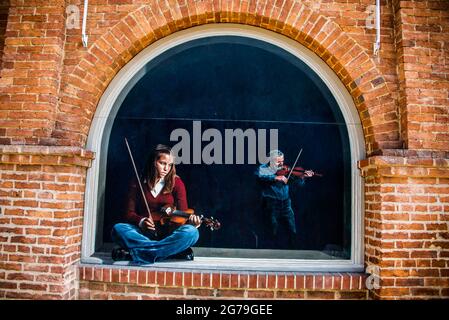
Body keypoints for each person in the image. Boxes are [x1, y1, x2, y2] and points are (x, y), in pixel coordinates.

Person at [111, 144, 201, 264]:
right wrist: (141, 221)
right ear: (153, 162)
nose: (166, 168)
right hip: (143, 234)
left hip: (169, 234)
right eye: (163, 163)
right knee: (118, 229)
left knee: (192, 233)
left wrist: (192, 223)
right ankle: (167, 252)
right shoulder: (137, 182)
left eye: (170, 165)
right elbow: (128, 213)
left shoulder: (177, 183)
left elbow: (182, 214)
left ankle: (140, 253)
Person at [255, 150, 314, 248]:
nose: (282, 164)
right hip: (270, 204)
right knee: (272, 230)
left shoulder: (285, 171)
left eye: (282, 161)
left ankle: (294, 252)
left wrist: (303, 177)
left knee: (292, 229)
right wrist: (276, 177)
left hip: (286, 204)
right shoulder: (263, 168)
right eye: (278, 162)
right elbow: (259, 175)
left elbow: (298, 184)